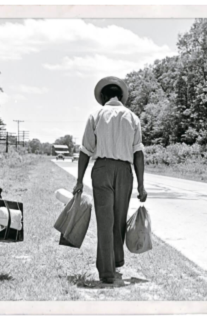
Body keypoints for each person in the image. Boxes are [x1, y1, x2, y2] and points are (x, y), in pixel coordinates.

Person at [73, 76, 148, 284]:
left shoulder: (95, 115)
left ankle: (106, 271)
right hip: (125, 171)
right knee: (119, 218)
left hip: (102, 169)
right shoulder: (132, 117)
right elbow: (138, 153)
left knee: (105, 221)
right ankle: (116, 261)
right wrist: (141, 184)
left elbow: (85, 150)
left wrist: (79, 180)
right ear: (120, 96)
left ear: (104, 96)